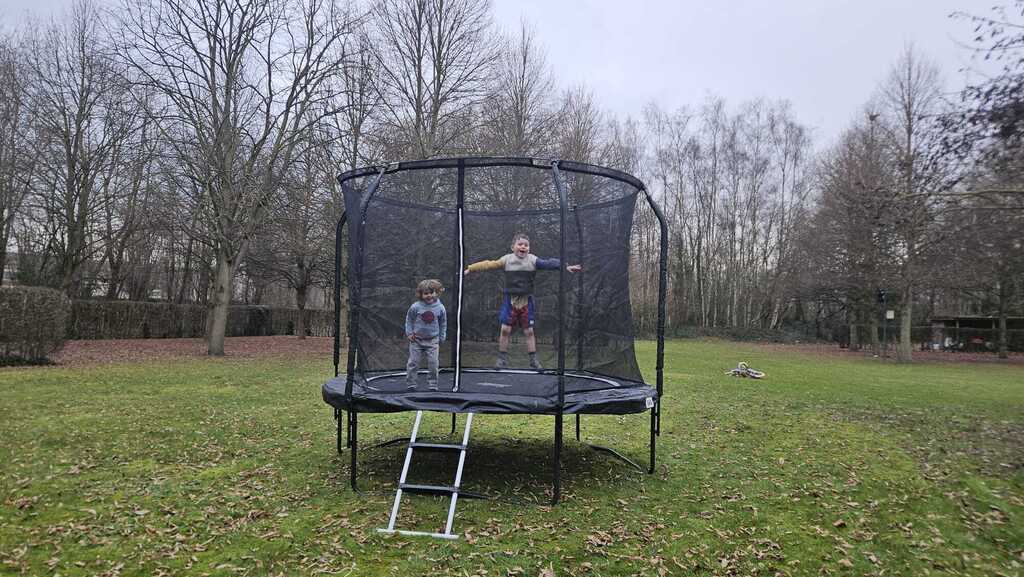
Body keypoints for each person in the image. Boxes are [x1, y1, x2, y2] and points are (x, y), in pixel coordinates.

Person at [464, 232, 581, 369]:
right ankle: (501, 359)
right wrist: (471, 269)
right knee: (505, 330)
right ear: (512, 247)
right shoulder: (507, 260)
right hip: (510, 300)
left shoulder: (532, 260)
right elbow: (489, 264)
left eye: (526, 245)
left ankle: (533, 360)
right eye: (520, 244)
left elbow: (549, 263)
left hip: (526, 300)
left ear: (529, 248)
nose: (523, 247)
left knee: (529, 331)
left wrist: (565, 266)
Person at [405, 279, 447, 391]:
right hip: (416, 340)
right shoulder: (415, 307)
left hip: (433, 340)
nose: (429, 295)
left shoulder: (440, 307)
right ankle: (411, 384)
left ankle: (433, 385)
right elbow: (409, 320)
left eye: (432, 292)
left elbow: (443, 323)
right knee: (413, 362)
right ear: (420, 294)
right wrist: (409, 333)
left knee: (433, 364)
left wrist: (442, 336)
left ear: (437, 292)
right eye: (426, 293)